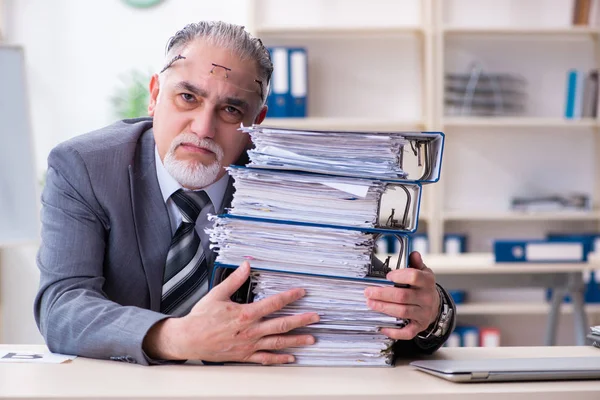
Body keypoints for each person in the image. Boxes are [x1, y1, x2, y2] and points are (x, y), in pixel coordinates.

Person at [34, 21, 456, 366]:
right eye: (187, 97)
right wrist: (175, 337)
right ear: (155, 95)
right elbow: (62, 305)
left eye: (231, 110)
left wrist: (428, 313)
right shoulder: (84, 168)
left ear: (258, 123)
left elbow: (370, 299)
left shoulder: (289, 183)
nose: (202, 128)